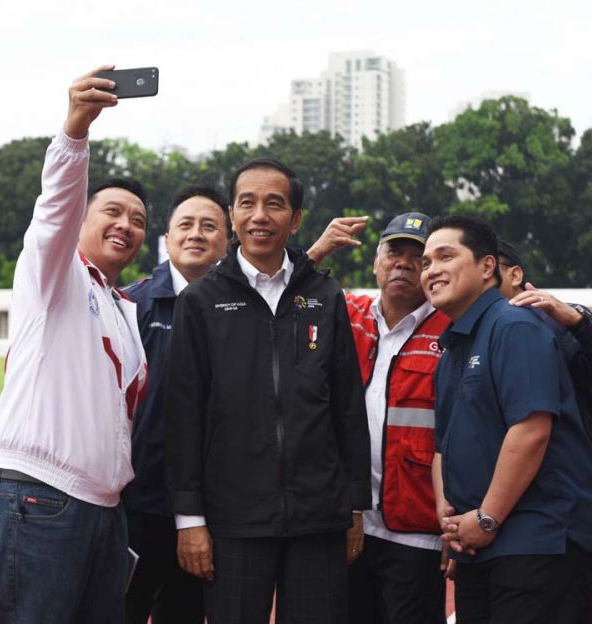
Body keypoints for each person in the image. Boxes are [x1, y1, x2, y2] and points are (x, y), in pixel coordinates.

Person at [164, 157, 372, 624]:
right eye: (247, 203)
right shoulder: (201, 301)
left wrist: (355, 506)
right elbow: (183, 414)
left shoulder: (323, 295)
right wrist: (189, 519)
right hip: (233, 521)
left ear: (295, 219)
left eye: (274, 204)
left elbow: (346, 407)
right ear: (233, 216)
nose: (260, 215)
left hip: (318, 519)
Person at [0, 65, 149, 624]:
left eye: (139, 220)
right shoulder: (53, 276)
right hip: (42, 496)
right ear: (82, 217)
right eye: (112, 211)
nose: (126, 224)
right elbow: (53, 210)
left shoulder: (122, 306)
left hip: (102, 508)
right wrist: (76, 131)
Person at [421, 215, 592, 624]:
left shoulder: (514, 327)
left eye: (445, 256)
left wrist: (486, 517)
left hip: (537, 543)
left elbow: (531, 431)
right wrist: (451, 516)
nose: (432, 269)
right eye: (426, 262)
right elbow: (444, 445)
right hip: (480, 544)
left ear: (488, 266)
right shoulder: (452, 348)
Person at [308, 213, 450, 624]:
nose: (403, 263)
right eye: (393, 252)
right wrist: (317, 252)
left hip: (417, 531)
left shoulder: (454, 332)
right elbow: (284, 296)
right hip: (345, 525)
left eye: (417, 257)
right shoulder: (344, 314)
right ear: (375, 262)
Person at [497, 239, 592, 624]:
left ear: (514, 274)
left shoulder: (557, 324)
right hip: (507, 524)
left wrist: (576, 320)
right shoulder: (464, 334)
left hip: (579, 520)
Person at [123, 185, 230, 624]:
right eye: (185, 225)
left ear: (228, 241)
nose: (196, 234)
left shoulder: (241, 311)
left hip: (213, 511)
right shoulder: (132, 305)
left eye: (209, 226)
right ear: (166, 239)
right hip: (135, 506)